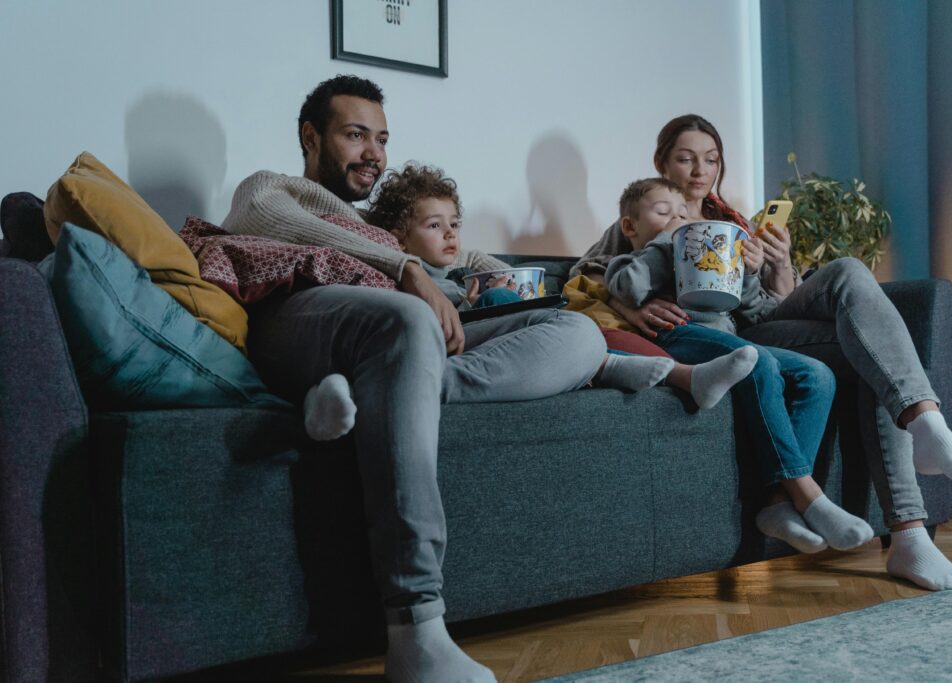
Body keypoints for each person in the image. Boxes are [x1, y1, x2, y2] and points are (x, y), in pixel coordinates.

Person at [221, 75, 603, 683]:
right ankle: (416, 626)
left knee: (579, 333)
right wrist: (405, 270)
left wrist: (483, 273)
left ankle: (403, 385)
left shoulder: (381, 225)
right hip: (304, 315)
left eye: (382, 138)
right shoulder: (275, 187)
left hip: (396, 337)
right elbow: (259, 216)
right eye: (355, 134)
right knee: (405, 321)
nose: (373, 151)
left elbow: (461, 252)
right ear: (310, 137)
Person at [604, 113, 952, 591]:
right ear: (662, 161)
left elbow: (774, 303)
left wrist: (778, 266)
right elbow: (590, 276)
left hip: (766, 321)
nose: (700, 171)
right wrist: (631, 305)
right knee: (865, 345)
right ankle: (912, 492)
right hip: (735, 338)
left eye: (711, 160)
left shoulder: (735, 224)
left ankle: (913, 504)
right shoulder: (648, 213)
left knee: (850, 284)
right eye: (685, 159)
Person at [605, 176, 875, 554]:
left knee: (817, 375)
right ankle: (808, 495)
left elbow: (743, 303)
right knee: (757, 361)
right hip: (677, 336)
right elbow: (629, 289)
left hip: (733, 339)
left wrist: (749, 269)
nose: (679, 219)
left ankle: (778, 503)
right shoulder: (631, 259)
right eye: (664, 212)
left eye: (683, 213)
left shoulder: (706, 250)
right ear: (630, 226)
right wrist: (669, 239)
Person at [367, 162, 760, 405]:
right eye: (435, 226)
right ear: (398, 238)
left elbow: (473, 259)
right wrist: (470, 301)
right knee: (519, 303)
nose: (451, 234)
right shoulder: (406, 272)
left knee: (533, 307)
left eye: (455, 225)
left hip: (497, 333)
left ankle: (616, 368)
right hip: (453, 339)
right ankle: (617, 368)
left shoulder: (460, 267)